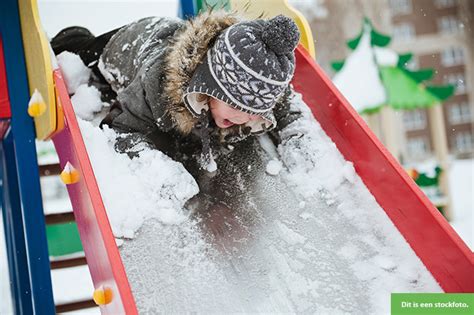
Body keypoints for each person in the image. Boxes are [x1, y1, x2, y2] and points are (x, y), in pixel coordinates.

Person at [51, 10, 303, 172]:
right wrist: (160, 171)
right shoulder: (155, 84)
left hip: (182, 40)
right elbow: (119, 128)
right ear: (211, 87)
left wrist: (297, 140)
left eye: (253, 111)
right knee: (77, 52)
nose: (244, 117)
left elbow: (287, 108)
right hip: (130, 44)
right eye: (237, 105)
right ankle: (68, 37)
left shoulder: (265, 82)